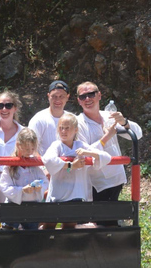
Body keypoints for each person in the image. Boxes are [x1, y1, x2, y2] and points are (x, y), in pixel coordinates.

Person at [76, 81, 144, 225]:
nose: (87, 99)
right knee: (99, 224)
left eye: (91, 94)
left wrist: (125, 123)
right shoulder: (78, 123)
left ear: (99, 95)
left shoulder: (109, 115)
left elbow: (137, 134)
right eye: (83, 96)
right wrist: (106, 138)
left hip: (116, 179)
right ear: (78, 101)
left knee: (111, 224)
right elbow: (84, 153)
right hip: (96, 181)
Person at [42, 113, 112, 229]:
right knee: (49, 226)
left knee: (69, 227)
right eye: (61, 128)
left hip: (75, 193)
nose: (63, 131)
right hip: (58, 194)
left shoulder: (80, 145)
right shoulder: (56, 145)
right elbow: (48, 159)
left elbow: (106, 157)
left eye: (67, 128)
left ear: (75, 130)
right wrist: (70, 165)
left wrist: (87, 153)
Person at [0, 128, 48, 230]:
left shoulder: (35, 163)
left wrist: (40, 187)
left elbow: (45, 181)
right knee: (7, 234)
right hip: (13, 207)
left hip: (32, 207)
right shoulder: (10, 166)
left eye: (32, 149)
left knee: (31, 235)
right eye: (26, 149)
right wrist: (21, 190)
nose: (29, 152)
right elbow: (4, 186)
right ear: (18, 145)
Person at [29, 80, 73, 156]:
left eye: (61, 96)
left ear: (67, 97)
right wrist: (44, 167)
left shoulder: (73, 119)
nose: (57, 100)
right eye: (54, 96)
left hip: (69, 166)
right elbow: (31, 148)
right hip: (44, 166)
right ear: (48, 96)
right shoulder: (38, 119)